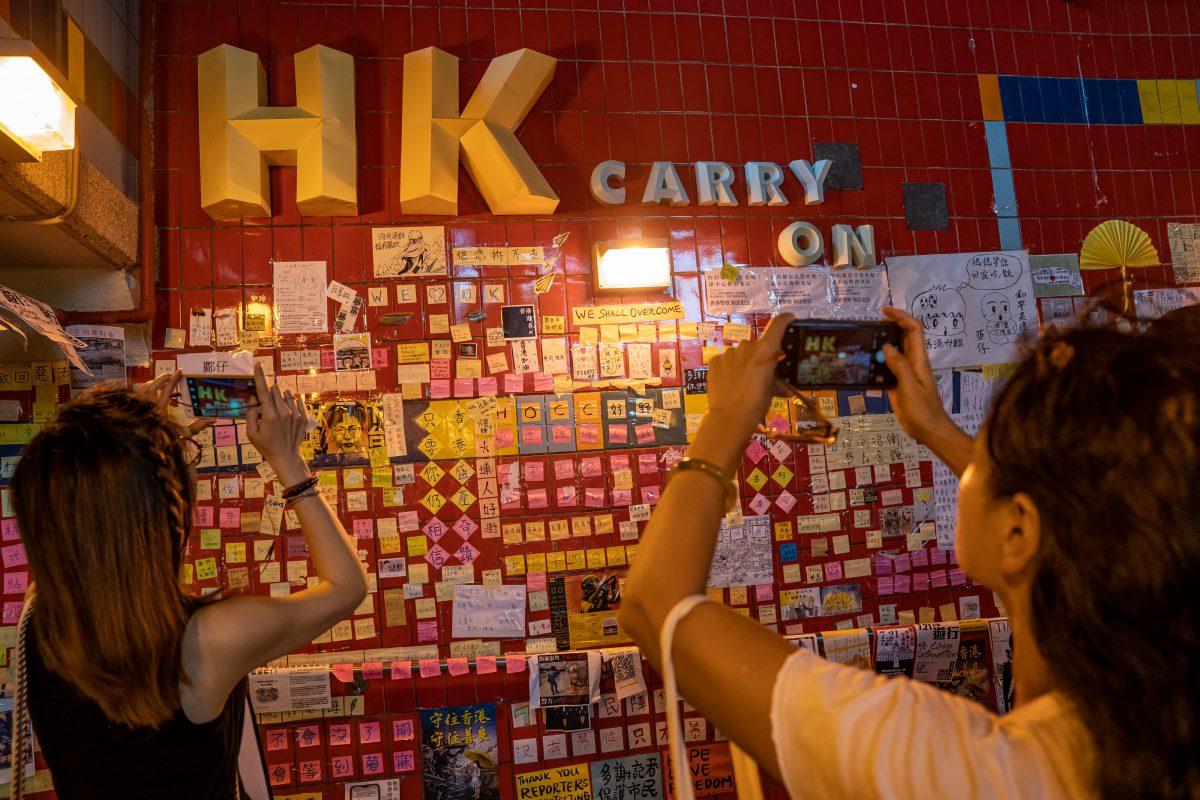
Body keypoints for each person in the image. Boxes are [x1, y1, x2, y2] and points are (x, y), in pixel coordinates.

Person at [619, 307, 1200, 799]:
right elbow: (1077, 515)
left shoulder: (956, 769)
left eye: (985, 456)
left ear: (1018, 535)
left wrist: (726, 417)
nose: (967, 466)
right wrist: (933, 426)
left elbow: (655, 605)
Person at [9, 364, 367, 799]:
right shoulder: (207, 640)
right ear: (162, 509)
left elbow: (73, 513)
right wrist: (288, 460)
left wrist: (119, 432)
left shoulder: (42, 616)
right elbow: (347, 586)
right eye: (187, 459)